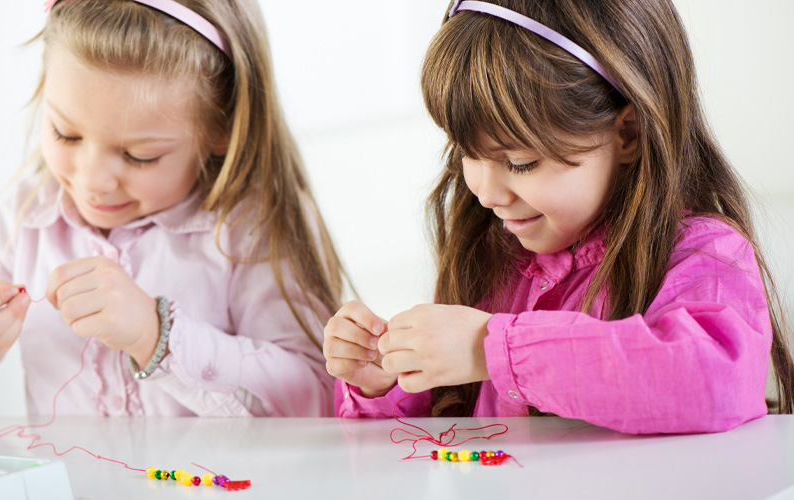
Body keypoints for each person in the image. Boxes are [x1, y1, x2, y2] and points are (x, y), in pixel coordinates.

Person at [323, 0, 793, 433]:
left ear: (627, 133)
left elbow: (711, 382)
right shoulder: (495, 258)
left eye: (520, 163)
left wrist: (493, 347)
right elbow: (447, 424)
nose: (486, 193)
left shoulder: (703, 253)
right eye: (467, 154)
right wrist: (384, 380)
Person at [0, 0, 345, 420]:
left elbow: (311, 399)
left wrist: (155, 334)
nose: (92, 181)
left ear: (221, 129)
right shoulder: (25, 218)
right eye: (66, 134)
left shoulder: (251, 226)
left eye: (140, 156)